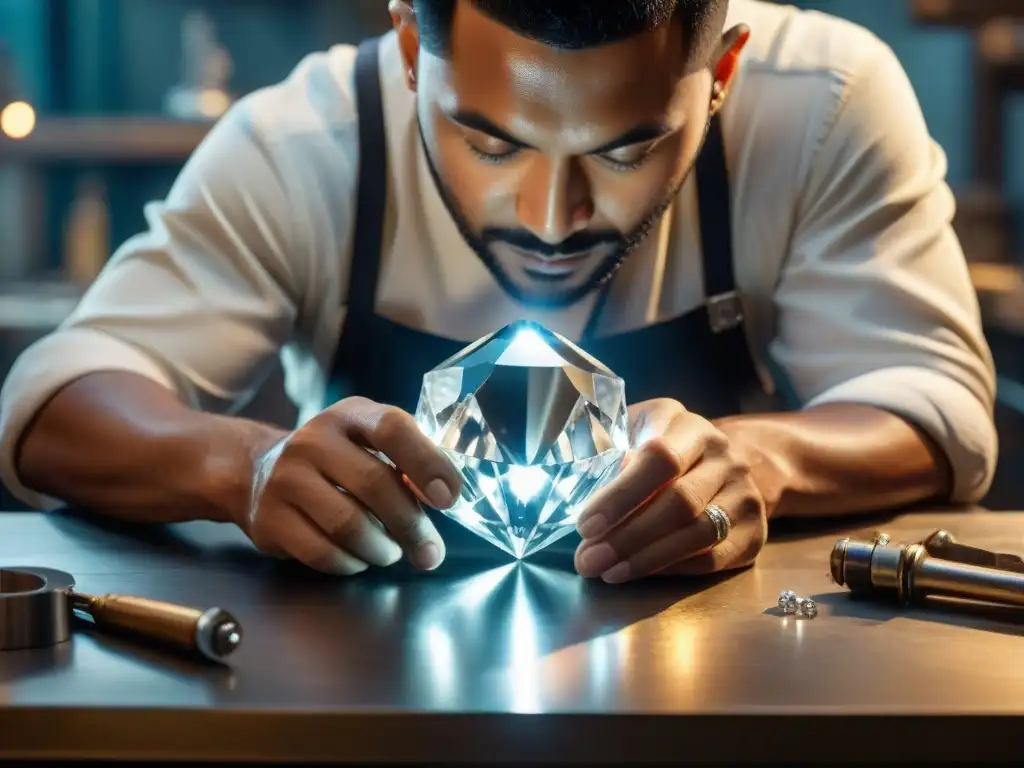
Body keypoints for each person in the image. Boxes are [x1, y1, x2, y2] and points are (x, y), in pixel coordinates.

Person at [0, 0, 997, 583]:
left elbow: (932, 399)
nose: (552, 216)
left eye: (626, 146)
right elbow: (57, 402)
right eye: (488, 140)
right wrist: (244, 468)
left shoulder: (823, 105)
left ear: (723, 69)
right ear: (403, 51)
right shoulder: (304, 141)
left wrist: (757, 460)